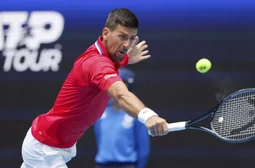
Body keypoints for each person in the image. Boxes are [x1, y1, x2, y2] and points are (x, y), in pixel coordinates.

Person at [21, 8, 168, 168]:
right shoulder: (97, 63)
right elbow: (121, 95)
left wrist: (124, 59)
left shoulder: (105, 57)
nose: (127, 44)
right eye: (122, 36)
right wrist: (148, 116)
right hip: (45, 148)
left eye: (131, 38)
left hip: (53, 144)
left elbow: (110, 64)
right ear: (106, 33)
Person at [94, 68, 150, 168]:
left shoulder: (136, 114)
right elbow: (99, 139)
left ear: (129, 88)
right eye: (113, 85)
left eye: (122, 85)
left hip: (127, 165)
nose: (117, 90)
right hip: (102, 165)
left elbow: (143, 148)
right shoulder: (101, 112)